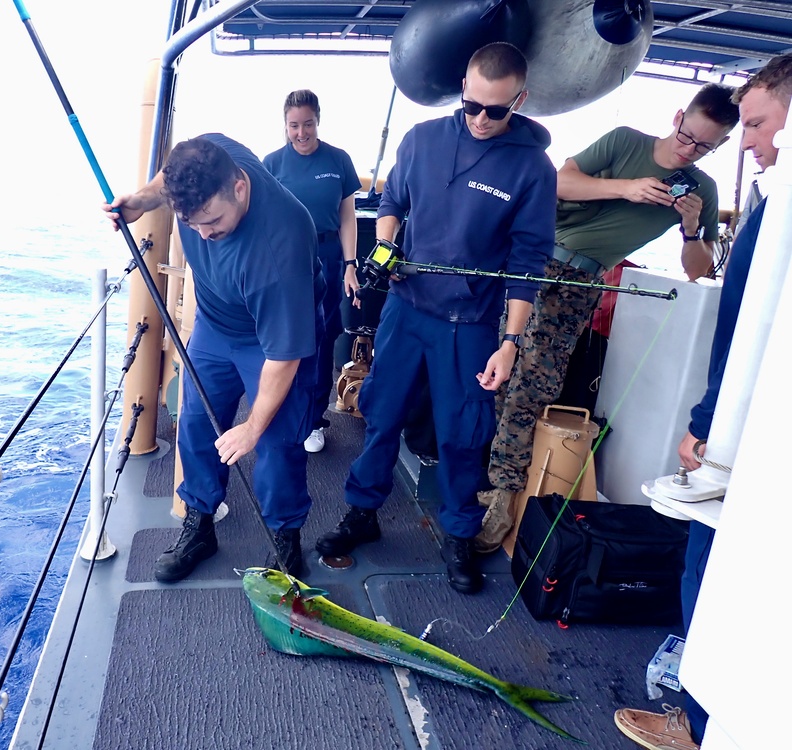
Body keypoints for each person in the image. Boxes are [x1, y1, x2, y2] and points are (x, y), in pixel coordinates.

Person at [314, 42, 556, 595]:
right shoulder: (421, 140)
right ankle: (361, 513)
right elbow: (393, 201)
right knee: (381, 413)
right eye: (471, 105)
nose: (480, 119)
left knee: (463, 434)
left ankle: (458, 535)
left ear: (519, 101)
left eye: (495, 110)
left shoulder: (532, 169)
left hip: (470, 325)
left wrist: (510, 342)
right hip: (406, 309)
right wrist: (386, 245)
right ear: (461, 93)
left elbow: (527, 262)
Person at [476, 82, 741, 552]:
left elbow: (697, 270)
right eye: (687, 136)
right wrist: (627, 189)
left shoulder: (701, 189)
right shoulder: (626, 141)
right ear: (678, 116)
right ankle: (494, 479)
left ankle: (502, 494)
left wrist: (691, 227)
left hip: (583, 283)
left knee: (535, 384)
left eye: (704, 147)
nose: (689, 151)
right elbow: (560, 180)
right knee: (503, 371)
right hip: (536, 261)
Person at [614, 52, 792, 750]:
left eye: (754, 126)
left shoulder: (775, 208)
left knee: (710, 562)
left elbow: (743, 332)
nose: (744, 143)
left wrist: (704, 427)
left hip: (745, 434)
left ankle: (695, 721)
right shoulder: (766, 200)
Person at [104, 134, 320, 581]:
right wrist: (141, 200)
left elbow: (284, 359)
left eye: (213, 221)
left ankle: (285, 535)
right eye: (193, 223)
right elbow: (169, 178)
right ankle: (200, 524)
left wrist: (251, 428)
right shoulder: (207, 163)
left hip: (270, 341)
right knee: (197, 422)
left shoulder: (282, 244)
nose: (204, 235)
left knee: (278, 441)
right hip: (214, 327)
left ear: (239, 187)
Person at [264, 89, 362, 454]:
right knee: (284, 339)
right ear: (285, 125)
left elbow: (347, 216)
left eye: (307, 124)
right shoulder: (271, 164)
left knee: (320, 343)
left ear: (317, 121)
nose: (301, 132)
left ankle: (315, 419)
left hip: (329, 255)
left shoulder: (338, 160)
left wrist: (350, 265)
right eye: (293, 125)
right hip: (286, 260)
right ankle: (280, 410)